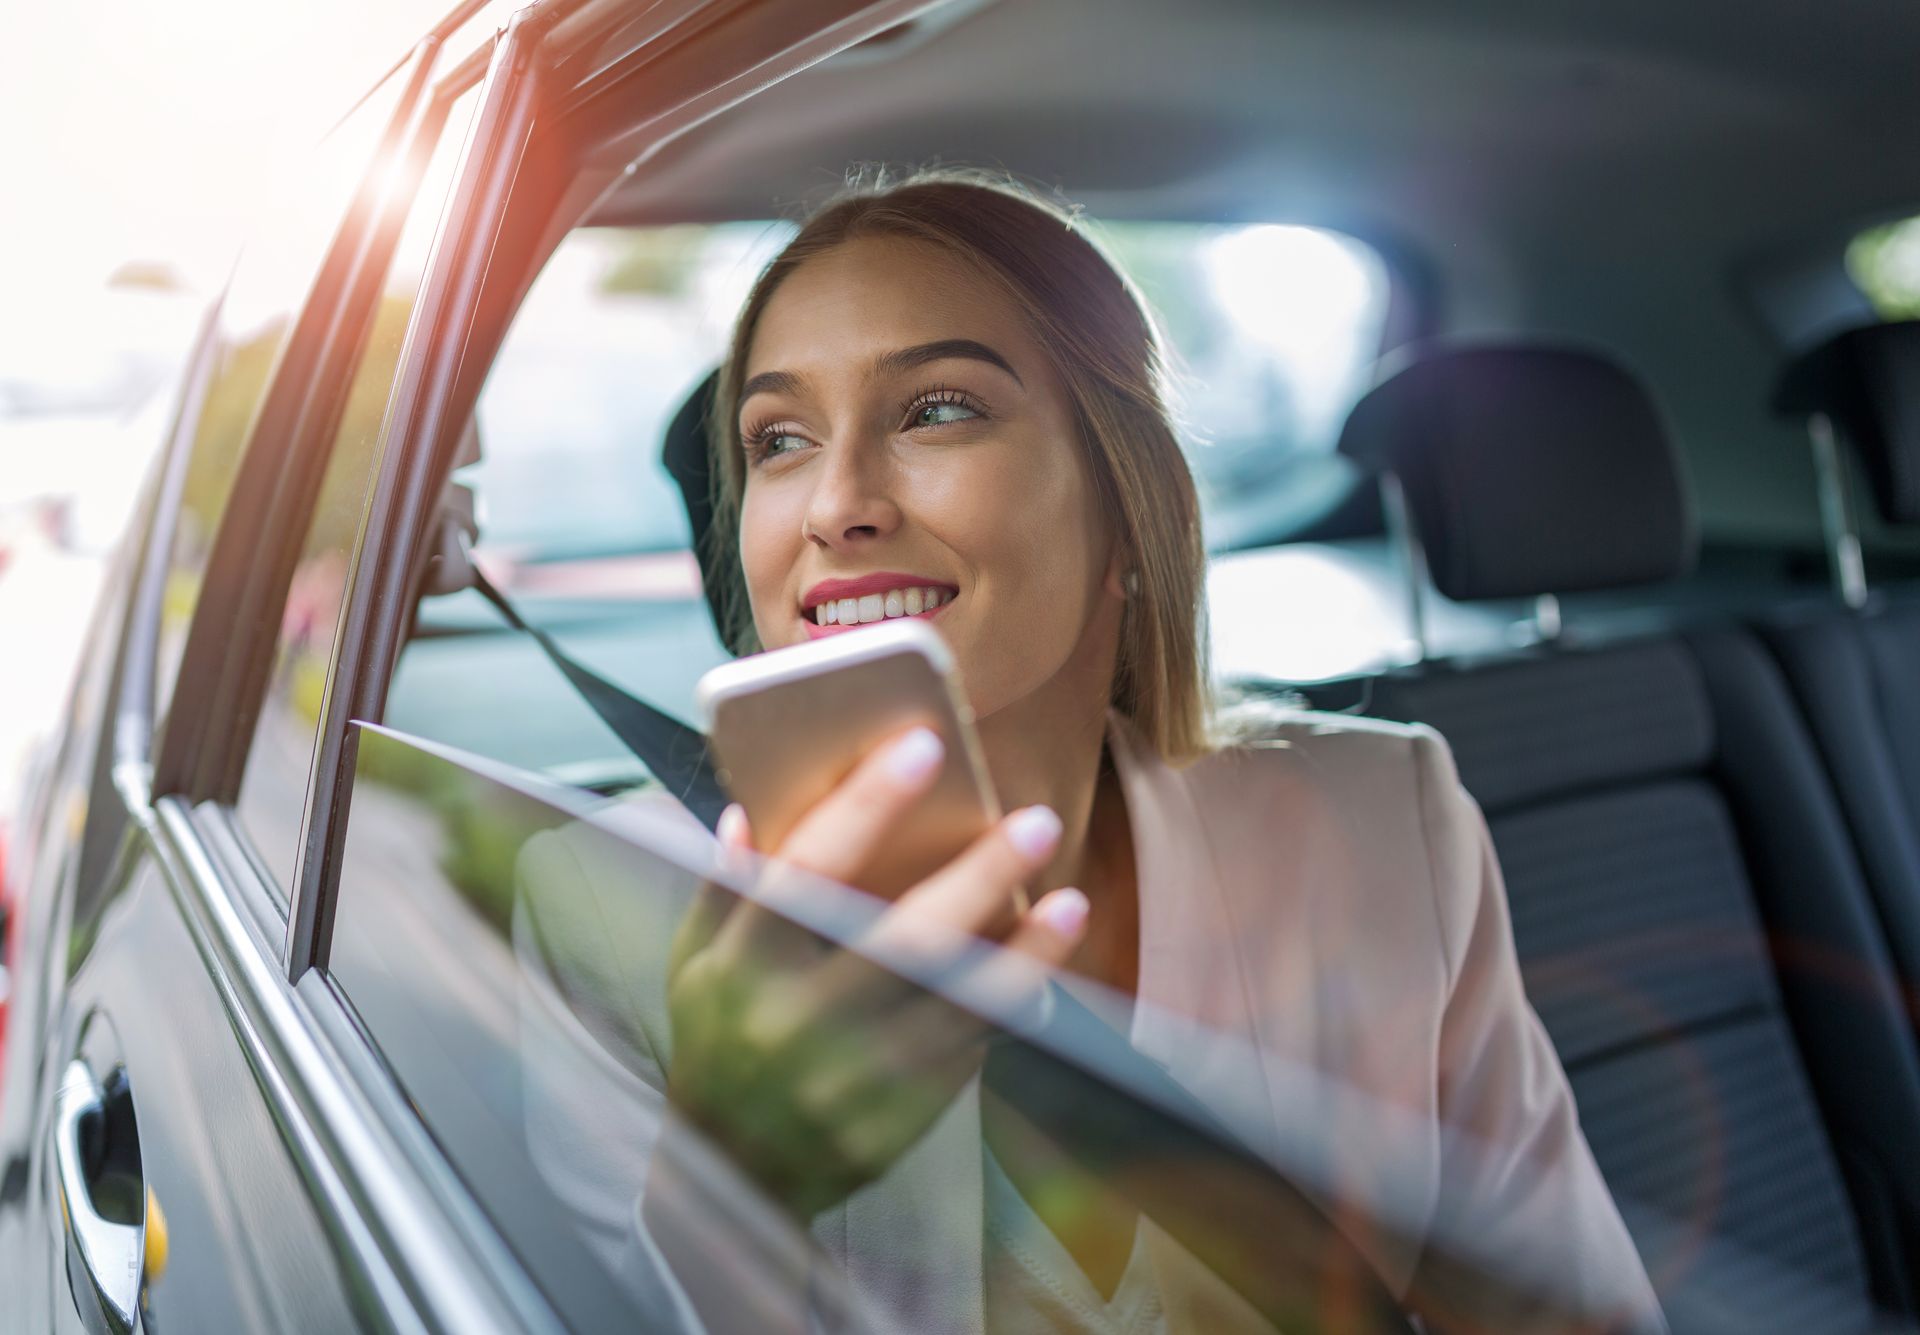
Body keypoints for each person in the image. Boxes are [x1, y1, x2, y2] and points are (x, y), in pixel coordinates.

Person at [518, 169, 1665, 1334]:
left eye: (936, 409)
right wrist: (733, 1175)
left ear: (1131, 508)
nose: (837, 503)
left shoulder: (1386, 816)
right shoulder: (605, 914)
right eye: (779, 439)